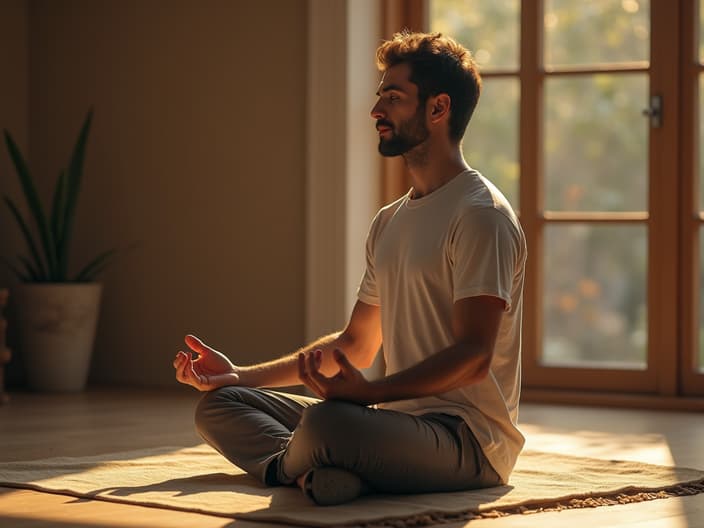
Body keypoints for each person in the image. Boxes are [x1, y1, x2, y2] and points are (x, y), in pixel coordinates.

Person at [173, 31, 526, 506]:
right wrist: (238, 375)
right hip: (393, 425)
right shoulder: (390, 221)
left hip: (468, 443)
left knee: (327, 423)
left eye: (393, 98)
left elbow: (474, 356)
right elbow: (355, 343)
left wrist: (368, 394)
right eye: (380, 97)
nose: (376, 111)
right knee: (219, 406)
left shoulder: (480, 215)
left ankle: (302, 464)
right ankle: (315, 471)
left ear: (438, 109)